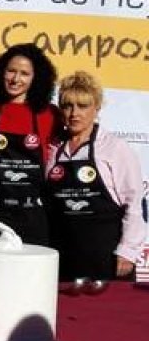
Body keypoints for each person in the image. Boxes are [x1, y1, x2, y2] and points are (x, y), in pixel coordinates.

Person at [45, 71, 146, 281]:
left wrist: (127, 251)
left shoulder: (114, 148)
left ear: (97, 107)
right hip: (62, 255)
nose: (74, 113)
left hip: (105, 256)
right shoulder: (53, 149)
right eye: (68, 106)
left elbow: (134, 203)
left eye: (82, 106)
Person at [0, 43, 58, 244]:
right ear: (1, 72)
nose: (15, 79)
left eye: (24, 74)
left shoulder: (49, 114)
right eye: (11, 71)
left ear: (36, 78)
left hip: (31, 215)